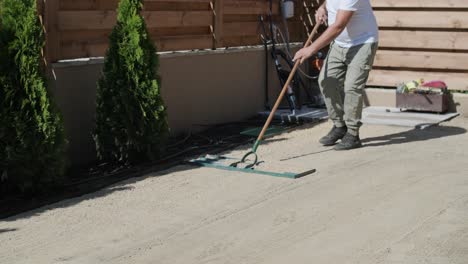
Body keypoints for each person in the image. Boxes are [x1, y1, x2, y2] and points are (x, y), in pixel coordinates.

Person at [293, 0, 378, 150]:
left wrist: (310, 49)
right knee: (327, 81)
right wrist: (322, 7)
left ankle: (352, 134)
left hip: (362, 43)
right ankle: (340, 126)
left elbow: (338, 26)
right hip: (339, 44)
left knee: (352, 87)